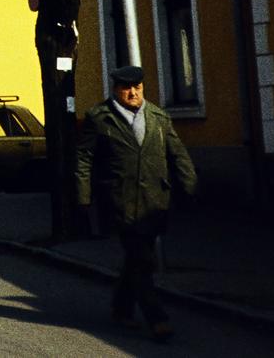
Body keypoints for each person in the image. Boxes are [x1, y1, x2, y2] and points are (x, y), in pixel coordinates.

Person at [76, 64, 196, 342]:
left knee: (136, 259)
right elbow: (84, 159)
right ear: (116, 89)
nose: (133, 93)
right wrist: (83, 197)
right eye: (126, 88)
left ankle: (121, 307)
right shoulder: (99, 118)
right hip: (119, 200)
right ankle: (158, 318)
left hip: (155, 200)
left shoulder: (158, 117)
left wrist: (190, 185)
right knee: (143, 258)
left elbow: (177, 153)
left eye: (137, 88)